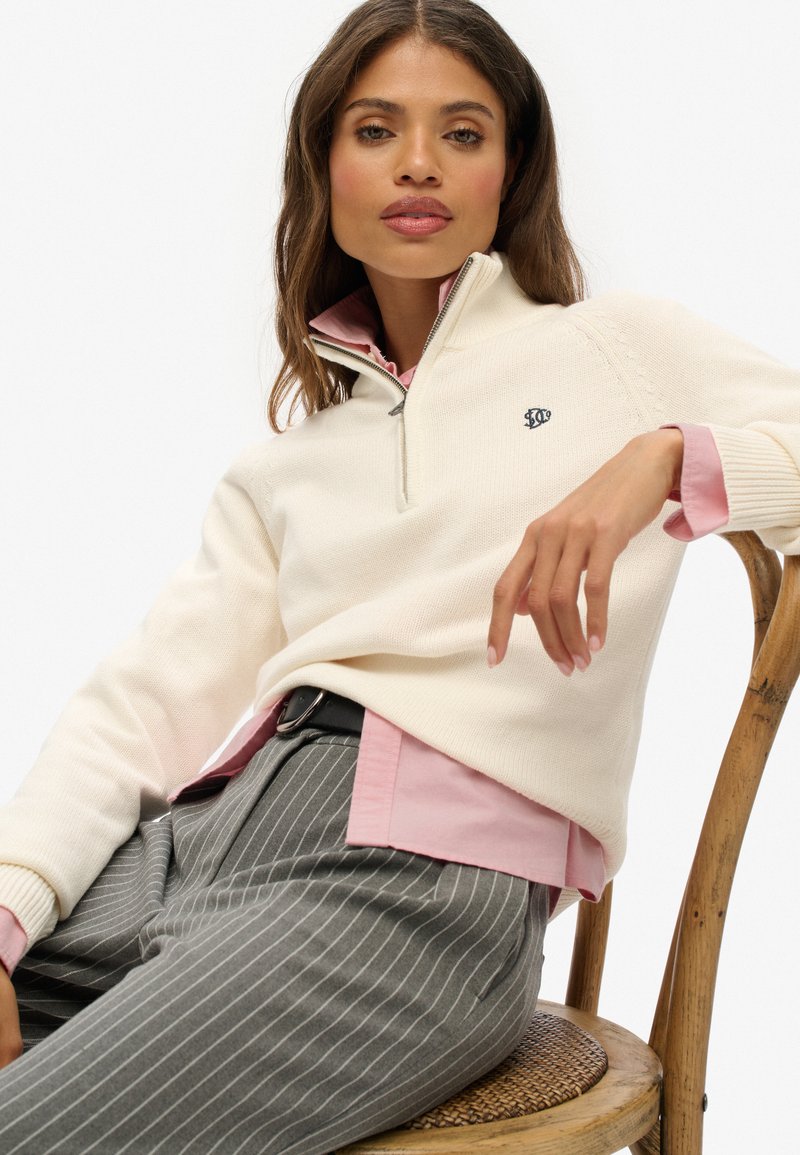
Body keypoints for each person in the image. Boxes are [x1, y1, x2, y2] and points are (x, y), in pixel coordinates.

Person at [0, 0, 798, 1151]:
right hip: (187, 847)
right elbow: (136, 714)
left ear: (510, 171)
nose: (417, 163)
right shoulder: (291, 465)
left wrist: (669, 458)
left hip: (413, 883)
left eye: (462, 133)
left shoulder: (616, 352)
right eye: (375, 130)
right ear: (322, 168)